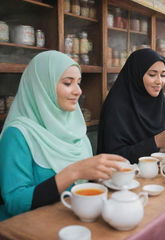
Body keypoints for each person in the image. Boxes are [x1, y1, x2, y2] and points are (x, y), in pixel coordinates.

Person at [0, 51, 125, 221]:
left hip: (75, 219)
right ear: (42, 86)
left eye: (78, 83)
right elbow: (15, 203)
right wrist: (73, 172)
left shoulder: (76, 128)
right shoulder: (18, 134)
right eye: (68, 83)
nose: (78, 91)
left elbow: (83, 186)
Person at [97, 48, 165, 164]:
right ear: (137, 74)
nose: (159, 81)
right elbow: (113, 156)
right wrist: (155, 142)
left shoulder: (159, 101)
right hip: (125, 177)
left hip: (160, 171)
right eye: (152, 75)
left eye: (163, 75)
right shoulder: (116, 106)